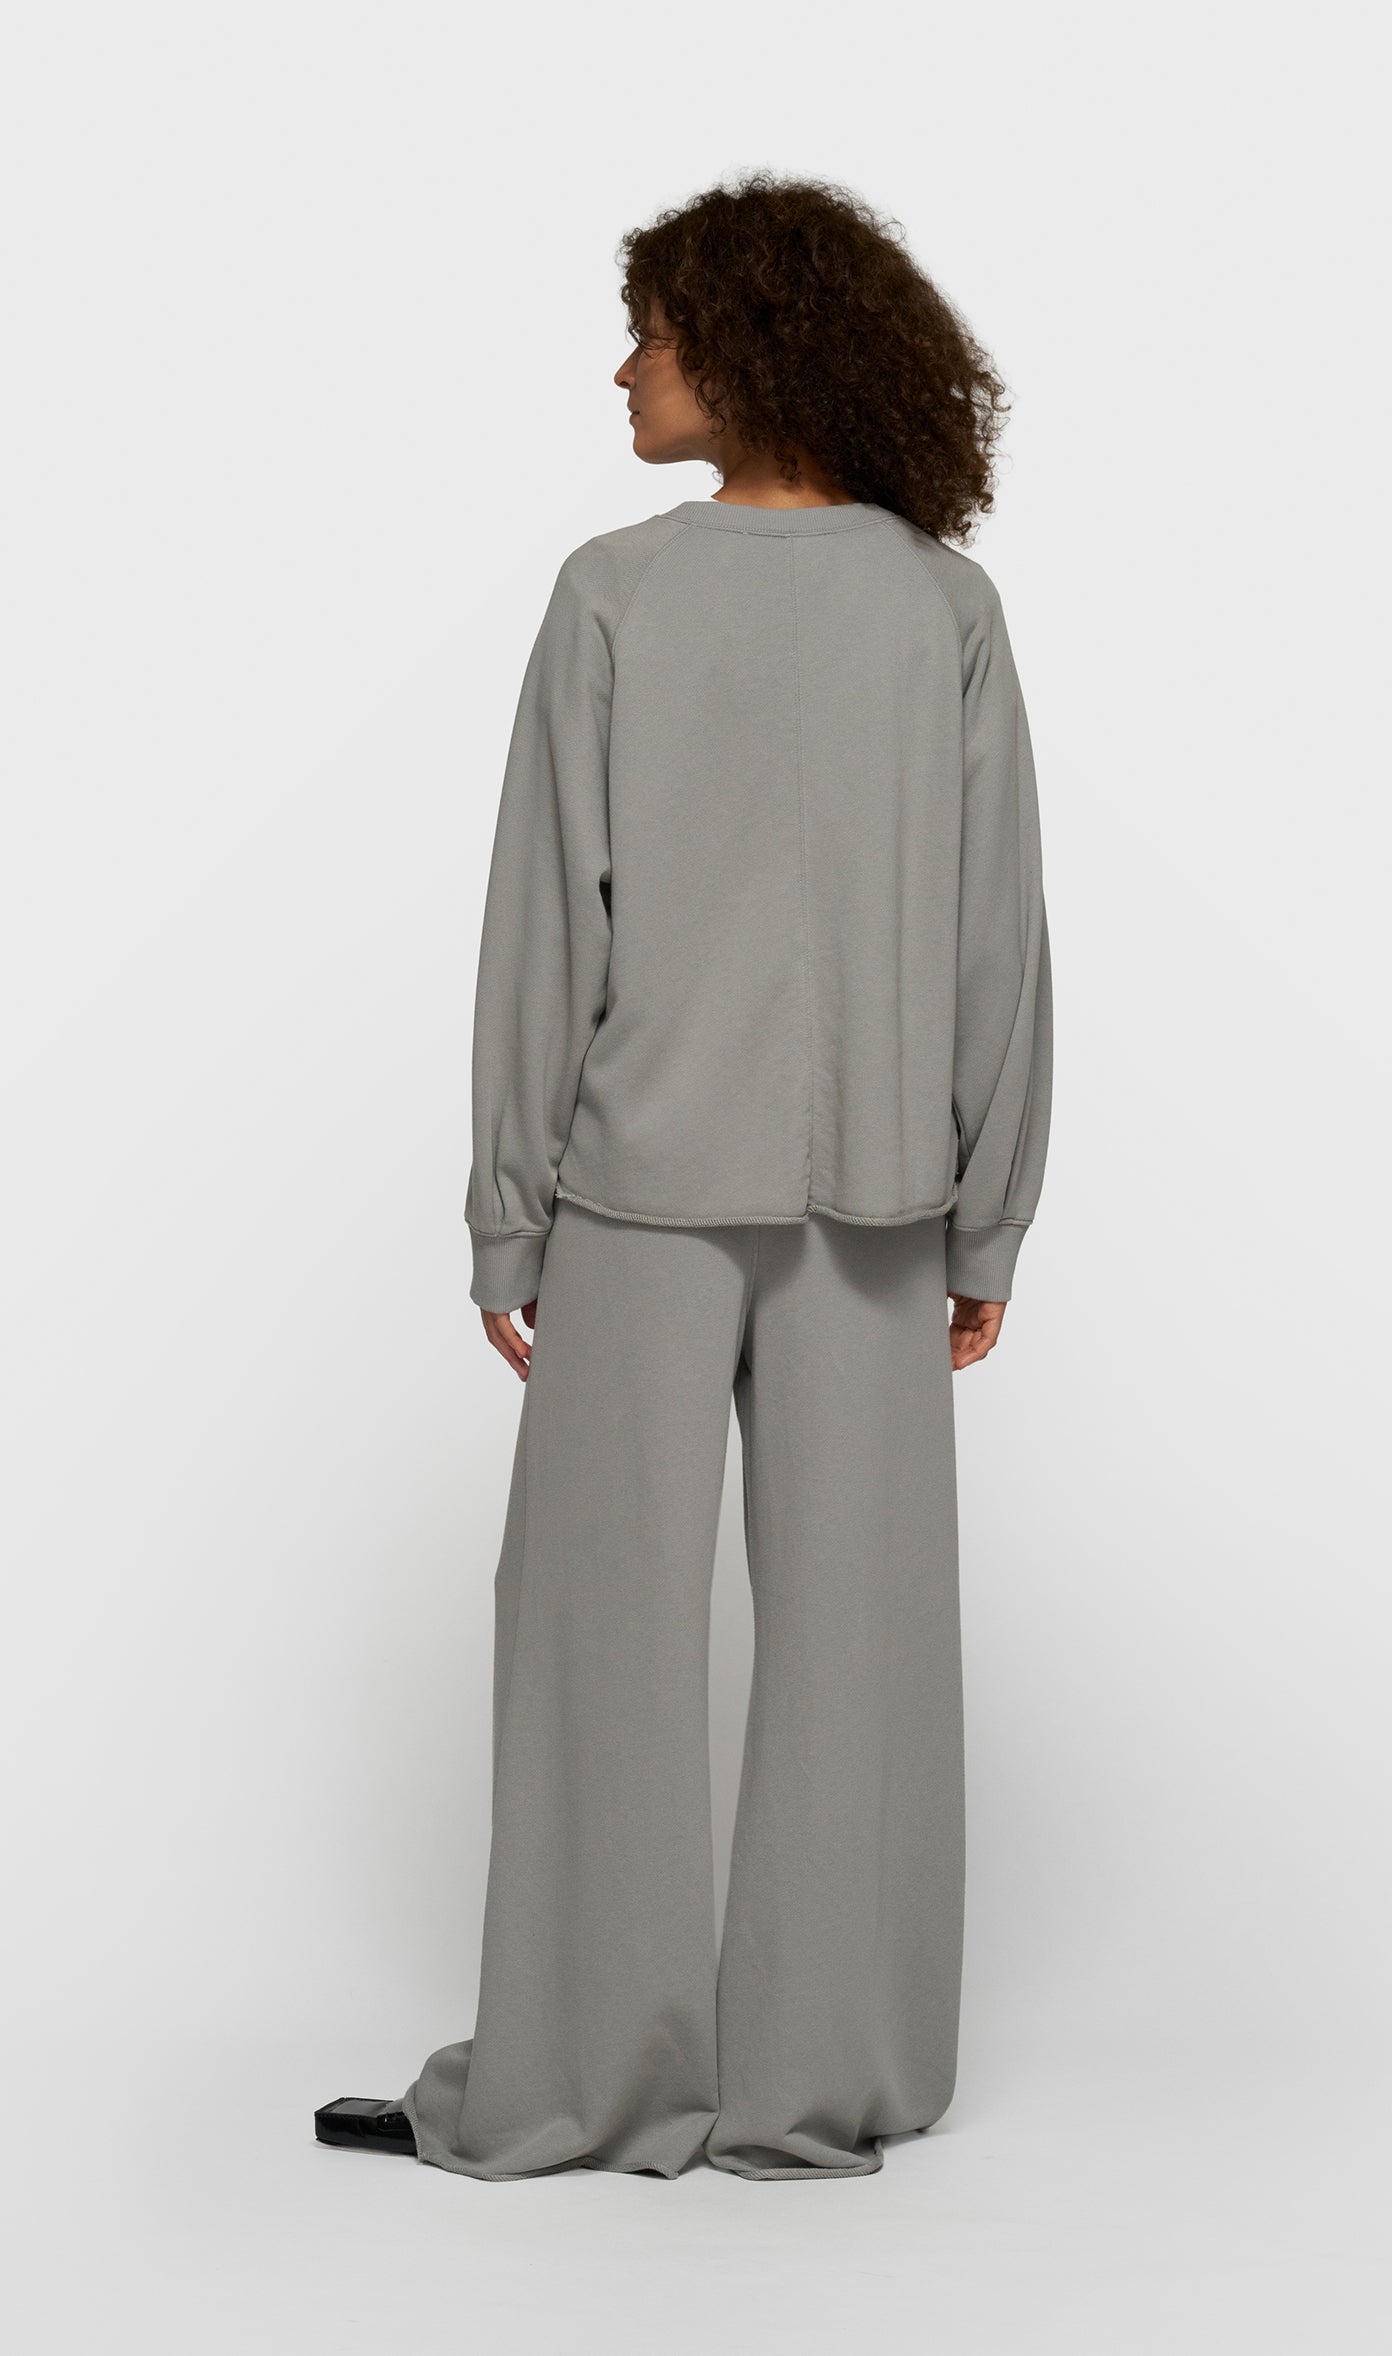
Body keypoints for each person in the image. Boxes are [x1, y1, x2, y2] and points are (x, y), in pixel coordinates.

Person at [403, 173, 1051, 2180]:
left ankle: (585, 2080)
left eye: (655, 335)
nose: (623, 369)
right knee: (864, 1641)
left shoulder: (615, 593)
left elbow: (544, 924)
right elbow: (999, 945)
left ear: (750, 351)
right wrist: (988, 1204)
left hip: (636, 1190)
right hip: (882, 1196)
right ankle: (823, 2082)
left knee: (594, 1630)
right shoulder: (940, 609)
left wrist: (508, 1207)